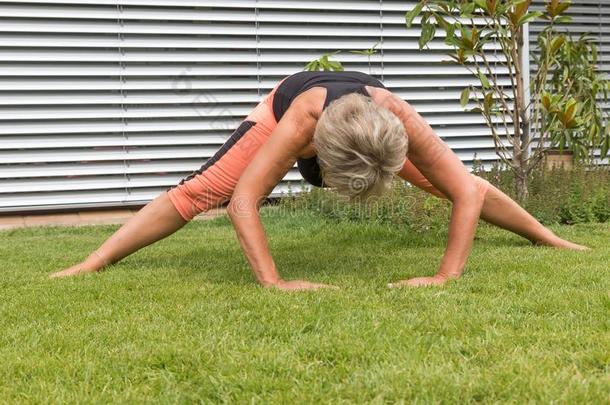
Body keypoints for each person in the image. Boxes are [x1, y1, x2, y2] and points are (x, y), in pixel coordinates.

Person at [51, 71, 588, 288]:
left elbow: (467, 191)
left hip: (364, 133)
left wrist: (446, 276)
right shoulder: (301, 120)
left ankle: (550, 236)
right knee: (205, 189)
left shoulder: (398, 117)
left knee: (450, 181)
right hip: (288, 111)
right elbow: (243, 202)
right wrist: (275, 283)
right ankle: (91, 261)